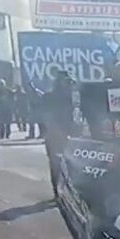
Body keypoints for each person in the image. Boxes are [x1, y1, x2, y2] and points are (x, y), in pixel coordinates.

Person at [42, 70, 77, 199]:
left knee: (73, 163)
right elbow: (46, 117)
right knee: (56, 163)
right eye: (65, 81)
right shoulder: (49, 96)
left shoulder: (73, 97)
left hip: (71, 133)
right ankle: (57, 191)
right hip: (55, 134)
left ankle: (71, 191)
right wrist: (55, 132)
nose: (68, 83)